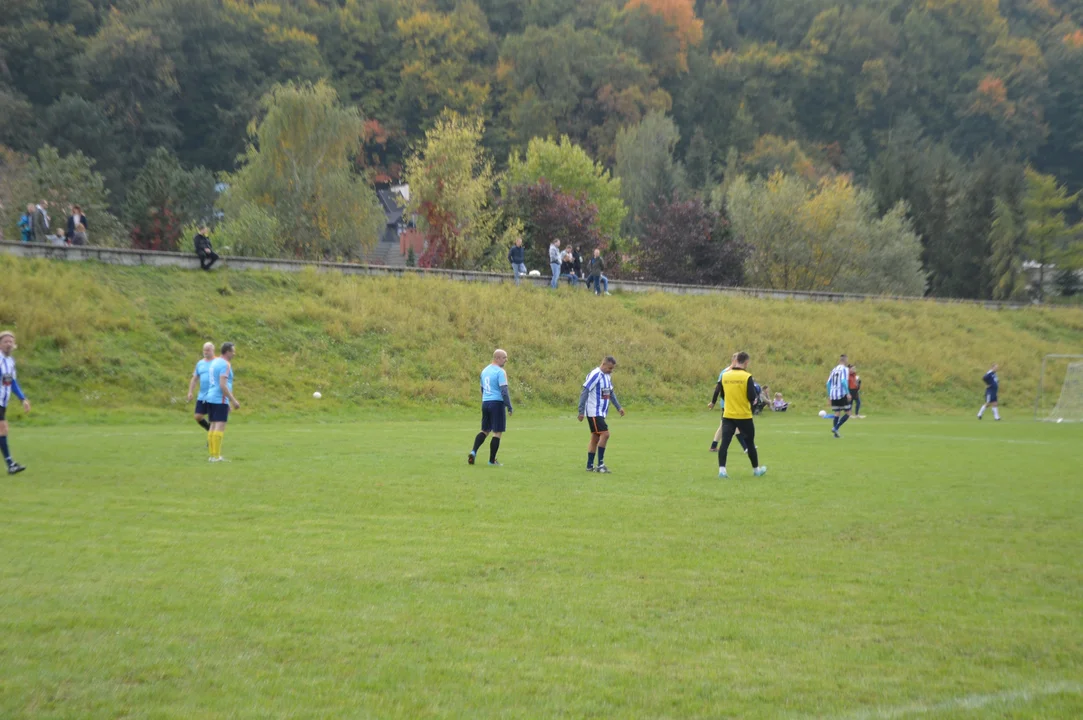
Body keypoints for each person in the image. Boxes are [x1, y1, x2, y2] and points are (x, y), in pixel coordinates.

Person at [717, 351, 767, 478]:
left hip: (728, 414)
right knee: (750, 443)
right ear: (746, 362)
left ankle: (722, 470)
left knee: (725, 443)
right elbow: (751, 396)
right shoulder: (747, 377)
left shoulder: (725, 376)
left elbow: (722, 394)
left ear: (736, 360)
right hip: (744, 415)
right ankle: (756, 470)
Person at [578, 355, 625, 473]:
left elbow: (610, 393)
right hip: (594, 411)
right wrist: (581, 410)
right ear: (603, 364)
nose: (611, 371)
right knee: (605, 434)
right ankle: (600, 465)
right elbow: (585, 390)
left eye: (612, 369)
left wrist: (618, 407)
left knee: (595, 437)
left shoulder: (607, 376)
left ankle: (589, 466)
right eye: (609, 368)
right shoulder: (596, 374)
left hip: (601, 412)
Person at [468, 349, 513, 466]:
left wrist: (486, 400)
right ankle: (491, 461)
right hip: (497, 403)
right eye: (504, 357)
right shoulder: (500, 372)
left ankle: (473, 451)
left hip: (485, 403)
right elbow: (504, 391)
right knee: (497, 433)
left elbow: (482, 389)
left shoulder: (484, 371)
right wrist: (509, 406)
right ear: (497, 358)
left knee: (484, 430)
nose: (506, 360)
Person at [0, 331, 31, 475]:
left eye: (10, 342)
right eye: (5, 341)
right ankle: (11, 464)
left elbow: (12, 382)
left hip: (3, 402)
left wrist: (23, 398)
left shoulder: (10, 361)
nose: (8, 344)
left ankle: (10, 464)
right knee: (3, 429)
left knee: (3, 430)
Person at [205, 342, 240, 462]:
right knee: (219, 426)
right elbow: (222, 385)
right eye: (233, 351)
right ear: (227, 352)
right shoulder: (225, 364)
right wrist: (233, 400)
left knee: (213, 426)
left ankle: (212, 456)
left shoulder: (214, 362)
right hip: (219, 398)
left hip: (210, 397)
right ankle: (216, 456)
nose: (234, 354)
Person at [708, 353, 748, 454]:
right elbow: (718, 389)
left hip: (732, 403)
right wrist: (713, 402)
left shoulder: (737, 372)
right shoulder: (726, 372)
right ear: (734, 360)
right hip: (727, 404)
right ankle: (745, 447)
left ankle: (713, 446)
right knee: (735, 425)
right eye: (739, 360)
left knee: (723, 425)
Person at [186, 342, 217, 436]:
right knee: (198, 416)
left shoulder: (218, 362)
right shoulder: (200, 363)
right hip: (202, 395)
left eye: (208, 350)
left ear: (213, 351)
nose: (206, 352)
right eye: (204, 350)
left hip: (214, 394)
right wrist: (190, 392)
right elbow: (195, 378)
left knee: (212, 418)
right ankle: (210, 431)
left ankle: (212, 439)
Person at [826, 354, 852, 438]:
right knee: (848, 413)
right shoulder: (845, 369)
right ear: (845, 360)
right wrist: (847, 392)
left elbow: (828, 383)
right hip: (841, 394)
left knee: (837, 413)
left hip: (833, 394)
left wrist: (829, 395)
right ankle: (836, 428)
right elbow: (843, 381)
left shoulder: (834, 369)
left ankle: (835, 435)